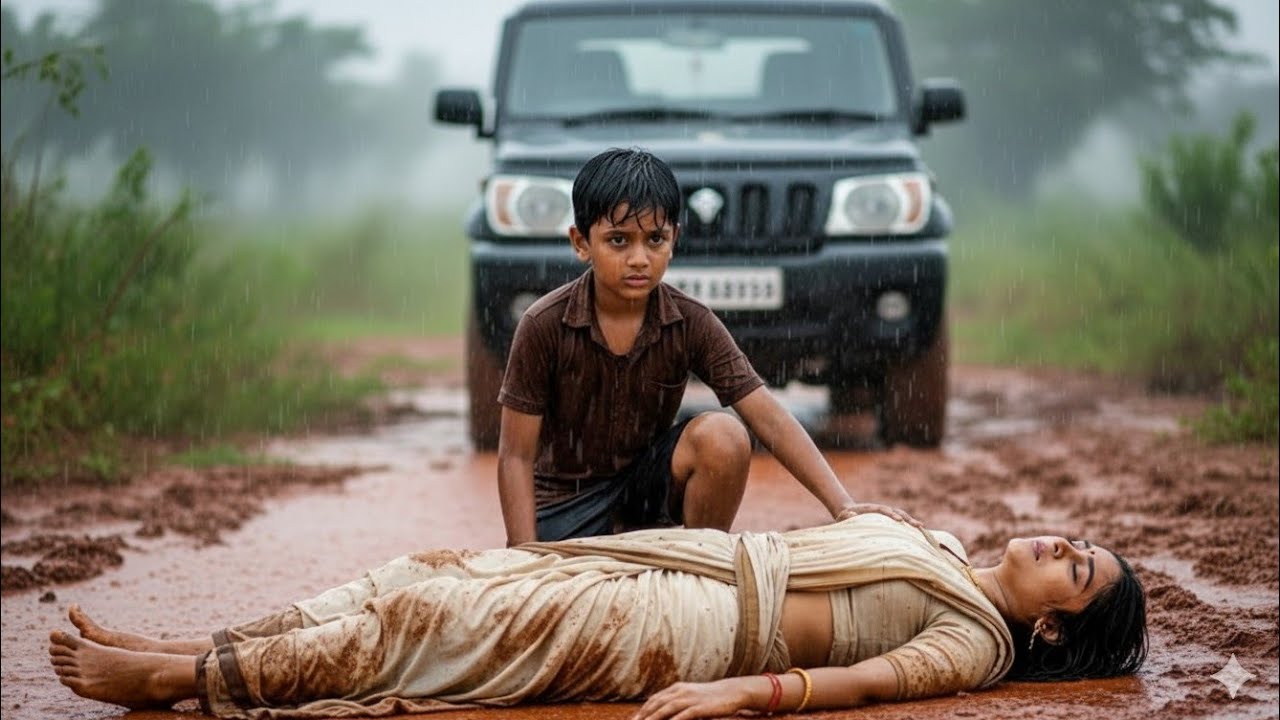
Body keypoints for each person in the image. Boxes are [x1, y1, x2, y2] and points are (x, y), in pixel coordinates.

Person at [49, 514, 1147, 719]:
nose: (1059, 545)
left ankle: (185, 686)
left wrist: (737, 695)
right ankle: (202, 647)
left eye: (1076, 570)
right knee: (428, 571)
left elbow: (863, 685)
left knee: (436, 624)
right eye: (1074, 540)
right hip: (687, 562)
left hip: (696, 629)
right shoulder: (943, 549)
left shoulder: (975, 644)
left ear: (1051, 630)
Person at [497, 147, 912, 545]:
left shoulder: (691, 321)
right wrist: (523, 554)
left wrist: (843, 506)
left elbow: (767, 416)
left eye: (655, 239)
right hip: (564, 509)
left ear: (674, 239)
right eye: (619, 241)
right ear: (581, 242)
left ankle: (698, 561)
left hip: (645, 501)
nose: (639, 258)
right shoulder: (542, 325)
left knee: (724, 435)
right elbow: (515, 455)